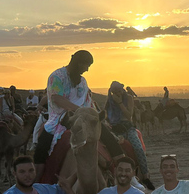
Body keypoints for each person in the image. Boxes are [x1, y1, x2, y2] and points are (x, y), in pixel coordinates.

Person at [34, 50, 124, 182]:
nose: (87, 70)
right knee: (41, 149)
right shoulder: (57, 76)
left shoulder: (82, 81)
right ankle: (36, 182)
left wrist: (95, 116)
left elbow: (88, 102)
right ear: (78, 63)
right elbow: (57, 98)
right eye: (86, 65)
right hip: (60, 119)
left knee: (109, 138)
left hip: (85, 118)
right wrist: (79, 111)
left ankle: (125, 173)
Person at [105, 81, 155, 190]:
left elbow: (128, 116)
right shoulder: (109, 101)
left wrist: (120, 103)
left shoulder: (129, 98)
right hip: (114, 129)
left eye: (120, 91)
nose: (119, 93)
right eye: (116, 92)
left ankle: (146, 176)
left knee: (138, 148)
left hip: (127, 128)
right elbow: (107, 116)